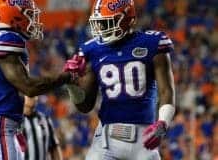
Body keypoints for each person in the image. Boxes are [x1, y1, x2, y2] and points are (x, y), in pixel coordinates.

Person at [63, 0, 176, 159]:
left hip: (144, 138)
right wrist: (71, 83)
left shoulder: (153, 43)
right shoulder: (92, 49)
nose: (102, 29)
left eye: (108, 23)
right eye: (100, 23)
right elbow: (85, 106)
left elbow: (166, 91)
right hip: (106, 139)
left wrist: (163, 123)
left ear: (127, 19)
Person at [0, 0, 73, 159]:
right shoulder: (8, 39)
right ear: (12, 16)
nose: (32, 20)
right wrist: (65, 77)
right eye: (28, 15)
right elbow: (29, 87)